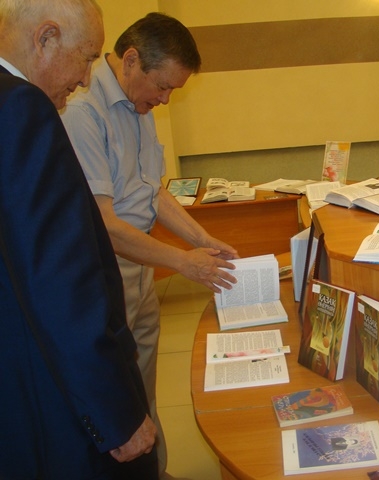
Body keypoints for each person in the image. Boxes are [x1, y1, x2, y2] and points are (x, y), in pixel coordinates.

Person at [61, 12, 239, 477]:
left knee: (143, 383)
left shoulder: (137, 107)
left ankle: (153, 471)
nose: (164, 100)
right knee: (115, 396)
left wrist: (203, 240)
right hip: (107, 271)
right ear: (131, 61)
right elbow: (105, 224)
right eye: (162, 87)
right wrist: (183, 261)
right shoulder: (83, 111)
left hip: (141, 266)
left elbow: (152, 193)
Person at [0, 0, 158, 478]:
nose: (87, 78)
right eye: (86, 57)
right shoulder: (20, 107)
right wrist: (117, 415)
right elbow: (58, 283)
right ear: (45, 38)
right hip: (46, 388)